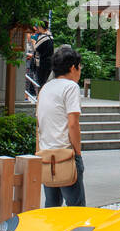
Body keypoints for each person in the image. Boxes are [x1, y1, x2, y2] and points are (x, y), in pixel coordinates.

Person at [36, 45, 85, 207]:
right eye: (79, 67)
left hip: (46, 155)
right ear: (73, 68)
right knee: (76, 208)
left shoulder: (45, 88)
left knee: (52, 206)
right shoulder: (71, 87)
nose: (79, 72)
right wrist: (77, 153)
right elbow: (72, 124)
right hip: (66, 154)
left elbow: (39, 124)